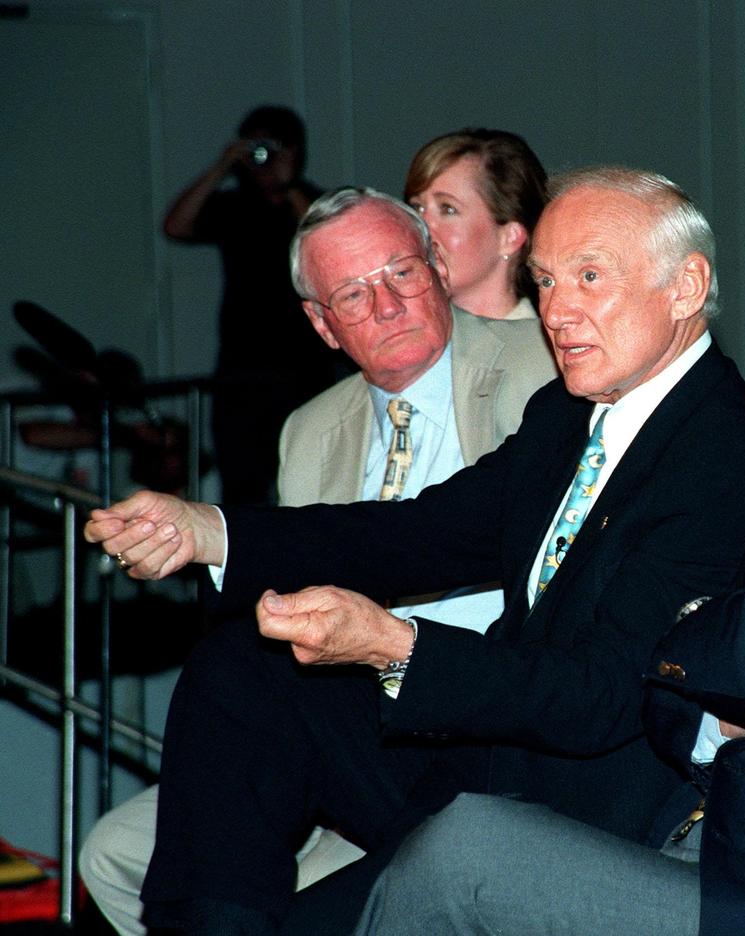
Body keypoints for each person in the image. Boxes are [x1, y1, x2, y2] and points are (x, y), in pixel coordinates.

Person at [85, 166, 745, 933]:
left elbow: (599, 697)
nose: (559, 311)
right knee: (241, 668)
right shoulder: (569, 414)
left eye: (591, 277)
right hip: (488, 755)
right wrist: (210, 531)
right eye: (548, 282)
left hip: (581, 809)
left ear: (687, 287)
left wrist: (394, 646)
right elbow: (418, 534)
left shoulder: (729, 456)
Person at [351, 122, 745, 936]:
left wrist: (693, 644)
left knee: (459, 855)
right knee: (273, 706)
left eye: (589, 277)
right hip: (704, 820)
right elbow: (710, 684)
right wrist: (221, 538)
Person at [78, 187, 557, 935]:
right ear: (322, 325)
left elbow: (428, 536)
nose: (388, 304)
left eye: (400, 272)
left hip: (486, 719)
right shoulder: (308, 431)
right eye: (353, 294)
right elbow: (304, 579)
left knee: (241, 674)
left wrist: (218, 533)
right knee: (113, 852)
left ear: (436, 265)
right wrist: (196, 538)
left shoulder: (545, 370)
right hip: (351, 728)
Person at [164, 104, 343, 504]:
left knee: (306, 488)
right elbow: (176, 225)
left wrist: (287, 184)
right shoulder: (234, 207)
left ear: (296, 149)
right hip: (240, 374)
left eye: (276, 146)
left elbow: (328, 241)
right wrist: (222, 165)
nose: (265, 157)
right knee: (241, 491)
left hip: (304, 373)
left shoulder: (317, 202)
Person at [403, 128, 546, 320]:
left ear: (509, 237)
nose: (420, 226)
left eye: (448, 209)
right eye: (417, 208)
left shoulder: (533, 347)